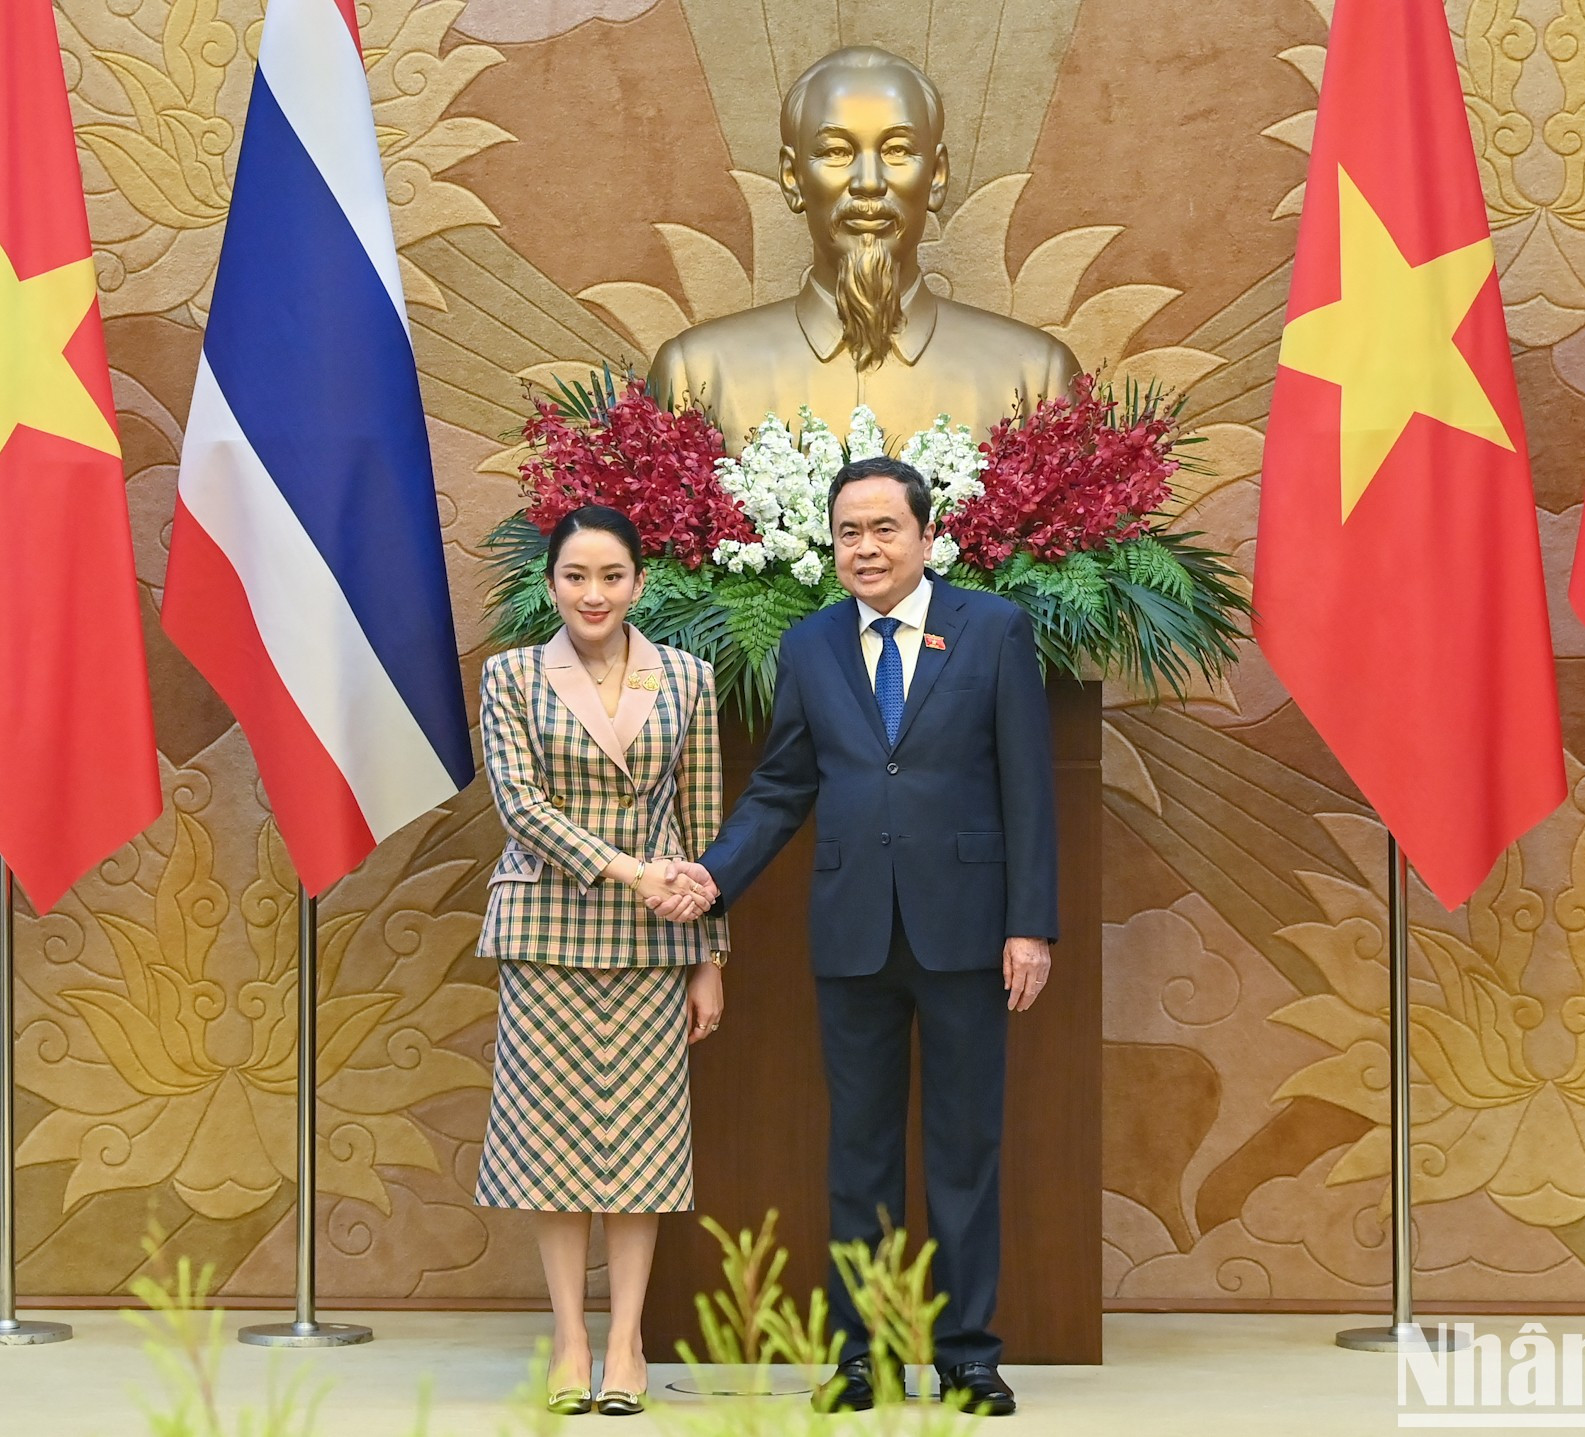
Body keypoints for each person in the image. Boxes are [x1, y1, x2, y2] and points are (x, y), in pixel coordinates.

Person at [661, 457, 1056, 1417]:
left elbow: (1028, 790)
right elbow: (783, 786)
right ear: (830, 544)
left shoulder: (993, 630)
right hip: (852, 937)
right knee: (860, 1155)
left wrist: (1030, 925)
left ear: (927, 535)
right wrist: (715, 875)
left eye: (885, 528)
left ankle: (966, 1352)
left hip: (967, 933)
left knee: (965, 1149)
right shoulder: (810, 646)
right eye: (849, 532)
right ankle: (859, 1353)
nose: (866, 547)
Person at [474, 504, 728, 1418]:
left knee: (643, 1149)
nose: (594, 593)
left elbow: (701, 827)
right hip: (548, 934)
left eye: (612, 576)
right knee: (554, 1148)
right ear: (550, 583)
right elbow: (520, 807)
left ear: (639, 583)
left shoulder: (690, 678)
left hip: (660, 942)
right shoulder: (509, 677)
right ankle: (570, 1336)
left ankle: (626, 1341)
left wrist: (712, 954)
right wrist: (632, 870)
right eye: (576, 576)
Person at [646, 45, 1077, 451]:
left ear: (937, 175)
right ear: (793, 178)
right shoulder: (696, 376)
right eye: (836, 151)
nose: (868, 181)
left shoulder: (1037, 378)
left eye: (897, 150)